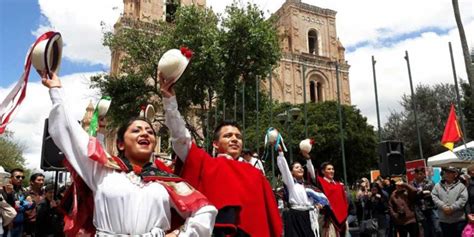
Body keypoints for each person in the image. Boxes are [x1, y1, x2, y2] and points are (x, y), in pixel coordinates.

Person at [42, 71, 217, 236]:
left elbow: (205, 210)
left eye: (149, 131)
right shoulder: (102, 171)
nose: (145, 133)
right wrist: (55, 90)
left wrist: (179, 234)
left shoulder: (167, 181)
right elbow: (71, 134)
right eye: (136, 130)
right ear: (120, 144)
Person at [160, 74, 282, 237]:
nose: (234, 139)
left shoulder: (255, 174)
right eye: (228, 136)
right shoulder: (205, 163)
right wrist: (170, 101)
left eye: (238, 137)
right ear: (215, 144)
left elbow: (270, 217)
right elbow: (181, 138)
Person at [275, 147, 327, 237]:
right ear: (291, 172)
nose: (300, 169)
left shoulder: (308, 186)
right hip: (294, 216)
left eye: (301, 167)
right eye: (297, 167)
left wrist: (308, 158)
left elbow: (312, 173)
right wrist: (280, 153)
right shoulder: (290, 184)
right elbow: (285, 169)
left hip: (309, 215)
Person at [431, 166, 467, 237]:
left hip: (458, 220)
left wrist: (452, 208)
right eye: (446, 172)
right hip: (444, 220)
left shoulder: (461, 186)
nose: (446, 174)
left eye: (449, 172)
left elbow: (463, 199)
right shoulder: (437, 186)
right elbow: (434, 196)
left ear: (455, 174)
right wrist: (443, 206)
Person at [315, 162, 349, 237]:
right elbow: (311, 173)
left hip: (342, 219)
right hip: (327, 218)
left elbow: (344, 201)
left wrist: (344, 213)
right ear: (323, 171)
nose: (332, 171)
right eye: (329, 169)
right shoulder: (320, 182)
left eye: (333, 169)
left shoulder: (339, 185)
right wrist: (308, 159)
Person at [410, 167, 441, 237]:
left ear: (424, 174)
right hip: (420, 210)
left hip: (431, 207)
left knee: (437, 228)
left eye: (421, 174)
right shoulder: (412, 184)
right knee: (426, 230)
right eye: (417, 174)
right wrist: (419, 193)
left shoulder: (430, 182)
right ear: (415, 174)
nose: (419, 175)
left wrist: (429, 194)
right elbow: (412, 196)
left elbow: (436, 194)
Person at [5, 168, 34, 237]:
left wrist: (28, 204)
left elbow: (31, 204)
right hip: (8, 225)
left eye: (22, 177)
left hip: (20, 224)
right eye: (18, 177)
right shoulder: (4, 189)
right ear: (10, 178)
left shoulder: (23, 190)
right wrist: (9, 194)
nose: (20, 179)